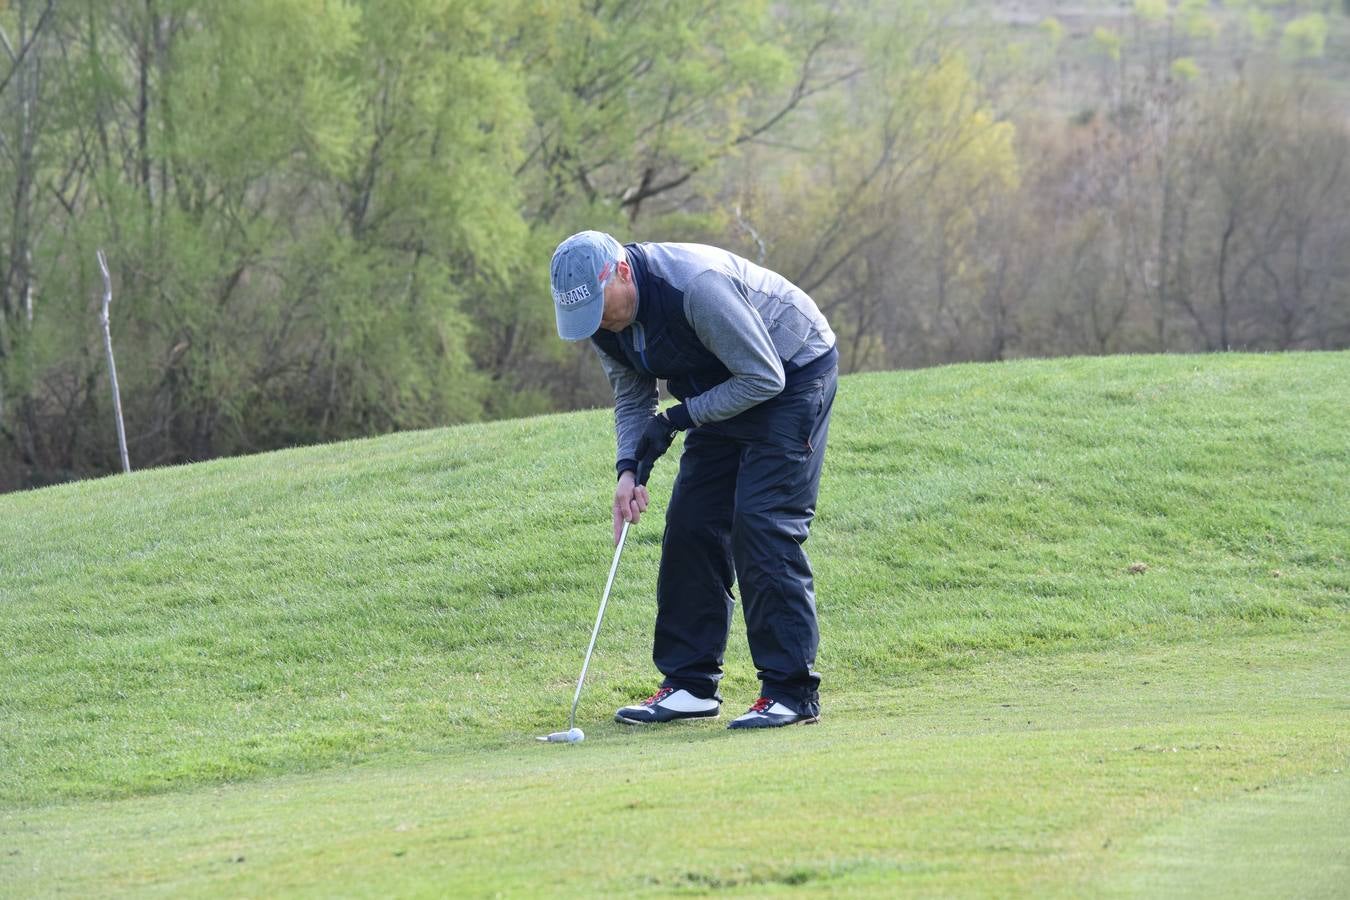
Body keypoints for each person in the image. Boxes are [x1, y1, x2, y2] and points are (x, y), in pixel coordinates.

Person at [549, 231, 838, 729]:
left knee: (762, 525)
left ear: (621, 272)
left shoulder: (693, 287)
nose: (597, 323)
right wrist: (629, 468)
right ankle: (689, 685)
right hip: (720, 387)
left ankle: (791, 692)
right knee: (690, 525)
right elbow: (632, 399)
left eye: (599, 307)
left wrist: (675, 420)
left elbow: (763, 378)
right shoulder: (600, 322)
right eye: (584, 316)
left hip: (790, 373)